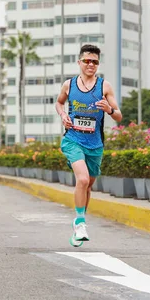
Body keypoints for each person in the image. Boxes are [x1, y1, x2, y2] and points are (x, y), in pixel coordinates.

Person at [55, 44, 122, 245]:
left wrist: (108, 109)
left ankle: (78, 222)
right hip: (73, 140)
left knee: (88, 186)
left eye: (94, 62)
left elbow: (118, 116)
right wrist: (63, 115)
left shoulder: (104, 86)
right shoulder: (69, 85)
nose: (90, 64)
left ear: (98, 64)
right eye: (87, 61)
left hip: (95, 145)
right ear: (80, 63)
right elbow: (59, 103)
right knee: (82, 180)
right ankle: (81, 223)